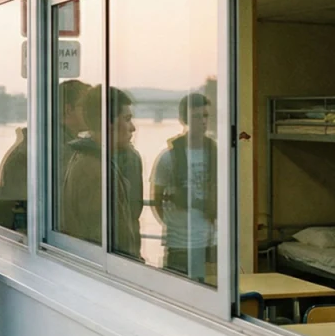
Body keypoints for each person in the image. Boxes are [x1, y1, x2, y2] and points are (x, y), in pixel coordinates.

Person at [61, 86, 142, 258]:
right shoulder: (95, 171)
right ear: (108, 124)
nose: (132, 128)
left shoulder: (88, 160)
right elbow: (103, 242)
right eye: (127, 119)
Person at [151, 92, 218, 279]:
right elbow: (156, 199)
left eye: (205, 116)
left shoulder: (217, 154)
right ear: (184, 119)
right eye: (197, 117)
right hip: (180, 244)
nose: (203, 121)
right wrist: (174, 225)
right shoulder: (168, 158)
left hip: (211, 241)